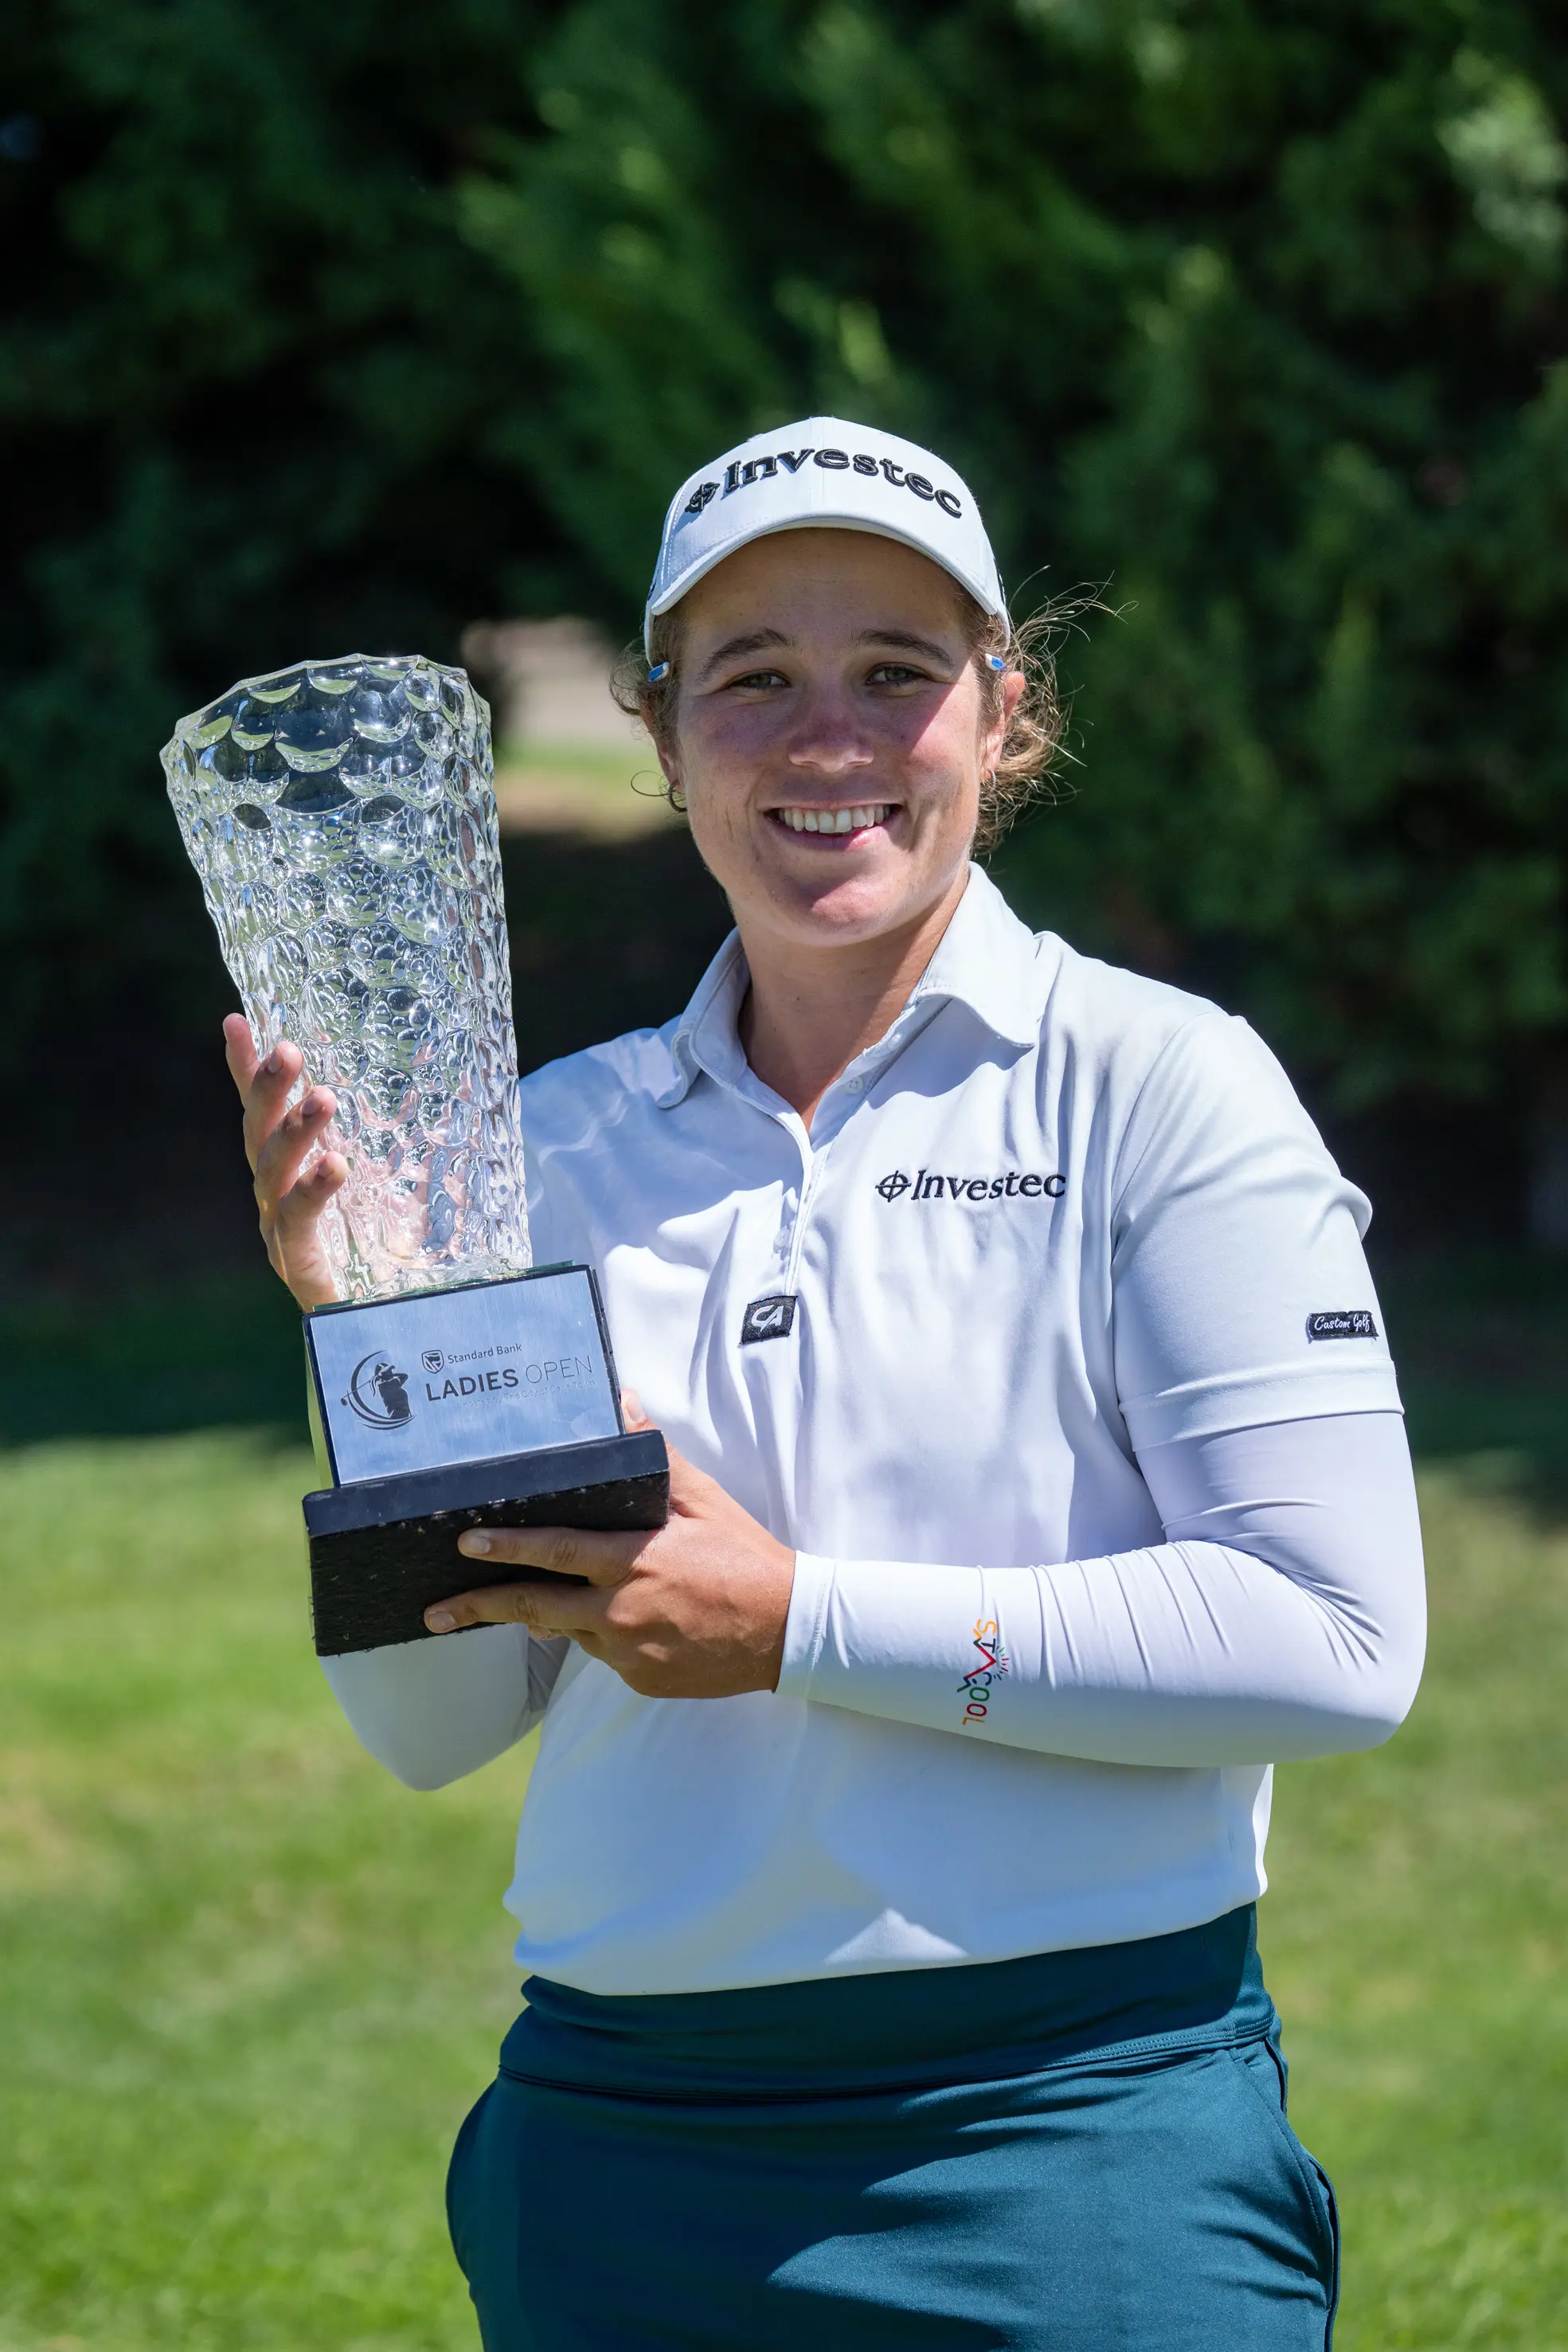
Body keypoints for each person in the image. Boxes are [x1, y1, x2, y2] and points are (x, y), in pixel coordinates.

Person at [225, 417, 1426, 2350]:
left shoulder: (1160, 1087)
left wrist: (795, 1625)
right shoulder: (546, 1147)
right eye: (755, 679)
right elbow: (438, 1721)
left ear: (1000, 716)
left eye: (896, 671)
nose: (828, 737)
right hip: (621, 2138)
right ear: (666, 726)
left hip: (1072, 2129)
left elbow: (1334, 1639)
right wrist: (363, 1331)